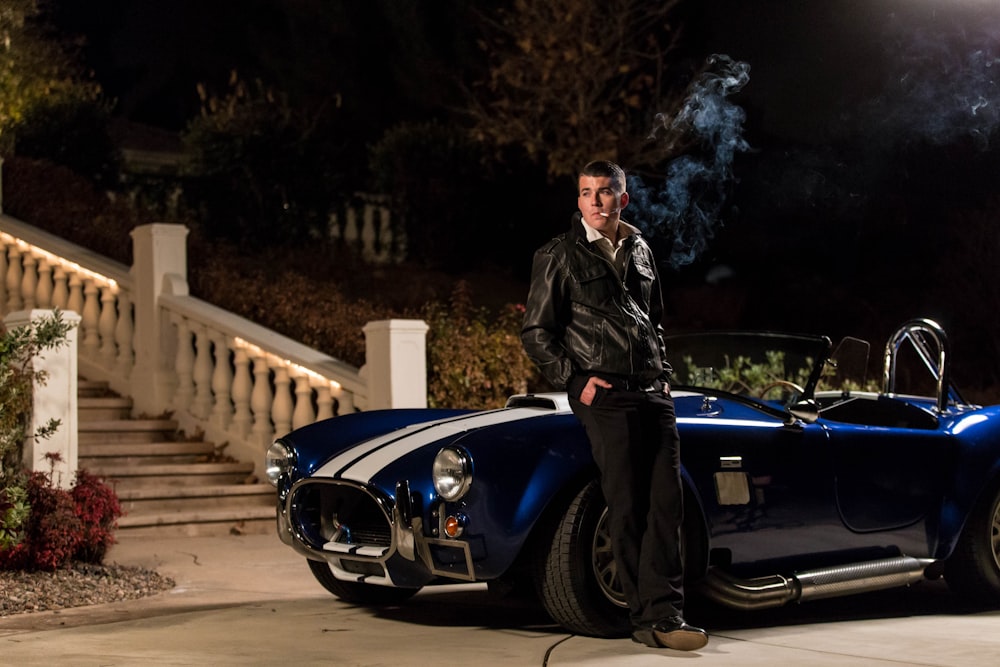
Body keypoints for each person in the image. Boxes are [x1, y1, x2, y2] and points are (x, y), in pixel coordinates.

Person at [521, 160, 708, 651]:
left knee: (667, 505)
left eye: (605, 193)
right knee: (627, 507)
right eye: (586, 193)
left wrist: (663, 378)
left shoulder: (641, 248)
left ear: (622, 198)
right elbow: (537, 333)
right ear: (578, 201)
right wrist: (575, 380)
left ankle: (667, 615)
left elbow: (655, 321)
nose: (596, 202)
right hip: (604, 397)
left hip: (652, 393)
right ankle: (646, 618)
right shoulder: (558, 255)